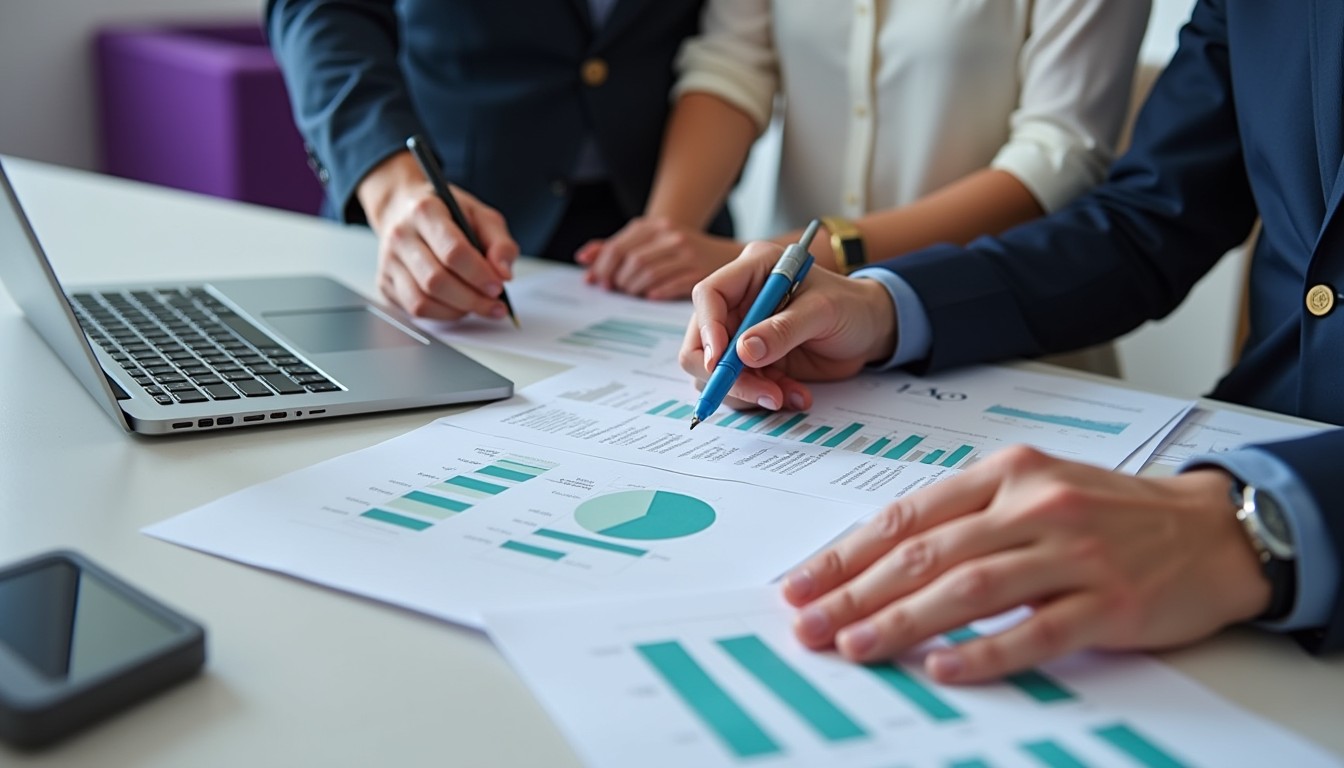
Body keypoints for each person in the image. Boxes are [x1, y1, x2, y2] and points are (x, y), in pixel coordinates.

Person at [680, 0, 1343, 684]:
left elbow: (1061, 158)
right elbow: (1148, 222)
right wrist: (885, 308)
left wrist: (1267, 520)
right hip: (1236, 463)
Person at [579, 0, 1150, 301]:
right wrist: (664, 242)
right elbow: (732, 64)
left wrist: (792, 258)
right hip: (778, 299)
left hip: (991, 309)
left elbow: (1057, 157)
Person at [266, 0, 730, 321]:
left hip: (671, 222)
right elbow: (322, 10)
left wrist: (671, 223)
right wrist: (393, 186)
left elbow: (732, 50)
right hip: (437, 215)